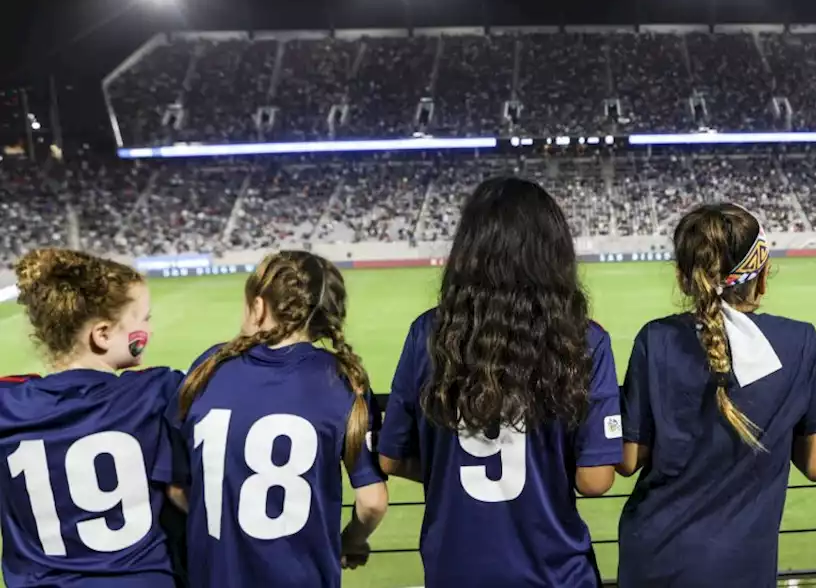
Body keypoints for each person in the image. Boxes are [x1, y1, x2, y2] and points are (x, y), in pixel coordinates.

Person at [378, 177, 621, 588]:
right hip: (555, 574)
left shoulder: (429, 333)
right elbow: (595, 480)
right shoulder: (584, 339)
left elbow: (389, 457)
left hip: (454, 573)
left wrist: (450, 468)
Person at [616, 203, 816, 587]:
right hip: (742, 566)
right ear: (763, 275)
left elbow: (627, 460)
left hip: (653, 557)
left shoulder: (655, 340)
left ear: (684, 279)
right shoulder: (800, 342)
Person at [168, 251, 388, 588]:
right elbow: (372, 503)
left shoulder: (209, 366)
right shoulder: (341, 379)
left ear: (258, 307)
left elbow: (176, 486)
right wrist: (350, 542)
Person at [0, 249, 182, 587]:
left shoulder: (8, 404)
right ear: (102, 335)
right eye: (143, 318)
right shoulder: (157, 392)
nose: (150, 330)